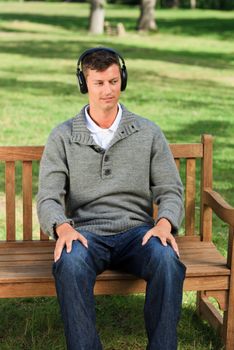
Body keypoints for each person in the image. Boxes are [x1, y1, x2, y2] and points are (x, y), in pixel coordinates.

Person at [37, 47, 186, 350]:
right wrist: (62, 228)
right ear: (84, 84)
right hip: (86, 233)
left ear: (123, 80)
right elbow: (48, 197)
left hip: (138, 233)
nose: (108, 90)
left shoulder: (148, 132)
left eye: (114, 81)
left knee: (168, 260)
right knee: (70, 263)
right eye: (99, 83)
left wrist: (165, 223)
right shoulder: (62, 136)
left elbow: (170, 189)